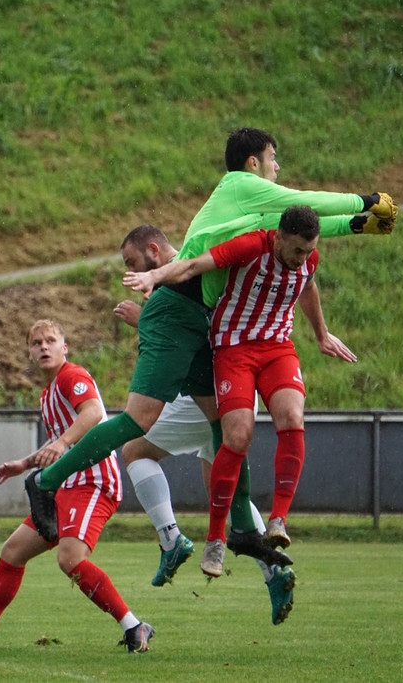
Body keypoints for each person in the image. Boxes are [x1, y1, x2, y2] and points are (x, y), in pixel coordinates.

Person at [25, 127, 395, 556]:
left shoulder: (254, 213)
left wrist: (359, 225)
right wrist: (366, 200)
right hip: (176, 311)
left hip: (196, 316)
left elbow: (303, 228)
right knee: (138, 420)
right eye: (273, 158)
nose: (277, 167)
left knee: (226, 423)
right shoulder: (241, 185)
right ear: (253, 163)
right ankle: (46, 481)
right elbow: (305, 201)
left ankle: (242, 529)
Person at [123, 205, 357, 581]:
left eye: (132, 263)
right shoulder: (243, 249)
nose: (301, 259)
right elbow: (194, 270)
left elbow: (305, 284)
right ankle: (252, 558)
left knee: (139, 449)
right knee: (230, 453)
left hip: (258, 358)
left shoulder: (299, 259)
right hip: (232, 357)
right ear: (279, 237)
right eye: (297, 250)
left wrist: (321, 334)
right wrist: (153, 286)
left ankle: (242, 528)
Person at [0, 319, 154, 653]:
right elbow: (59, 441)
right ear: (29, 353)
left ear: (65, 347)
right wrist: (26, 463)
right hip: (67, 484)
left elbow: (93, 413)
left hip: (93, 480)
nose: (44, 346)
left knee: (70, 559)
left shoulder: (71, 376)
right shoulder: (48, 393)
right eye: (36, 343)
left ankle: (135, 626)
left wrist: (61, 443)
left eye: (50, 340)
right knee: (12, 552)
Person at [117, 224, 295, 625]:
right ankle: (275, 570)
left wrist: (142, 320)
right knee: (222, 488)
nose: (131, 271)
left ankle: (171, 539)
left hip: (212, 395)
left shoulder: (183, 275)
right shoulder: (204, 265)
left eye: (132, 262)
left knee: (134, 450)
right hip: (238, 390)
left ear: (153, 250)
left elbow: (194, 337)